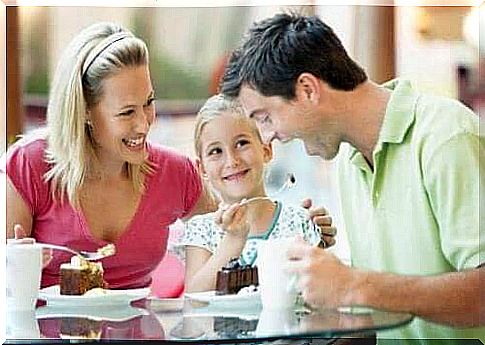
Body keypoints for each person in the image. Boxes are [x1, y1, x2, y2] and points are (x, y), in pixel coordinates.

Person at [220, 12, 484, 343]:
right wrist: (322, 279)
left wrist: (351, 284)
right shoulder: (348, 160)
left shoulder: (445, 136)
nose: (269, 136)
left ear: (307, 89)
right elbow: (381, 307)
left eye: (266, 117)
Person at [2, 22, 216, 290]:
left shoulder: (176, 172)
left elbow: (225, 243)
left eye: (148, 103)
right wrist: (12, 269)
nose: (144, 124)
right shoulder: (28, 165)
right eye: (127, 112)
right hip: (42, 332)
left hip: (143, 330)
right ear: (85, 112)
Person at [179, 94, 328, 292]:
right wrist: (233, 240)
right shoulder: (202, 230)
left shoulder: (298, 221)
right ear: (202, 168)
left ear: (266, 150)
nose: (231, 161)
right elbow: (195, 299)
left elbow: (318, 291)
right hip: (222, 324)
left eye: (242, 143)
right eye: (216, 151)